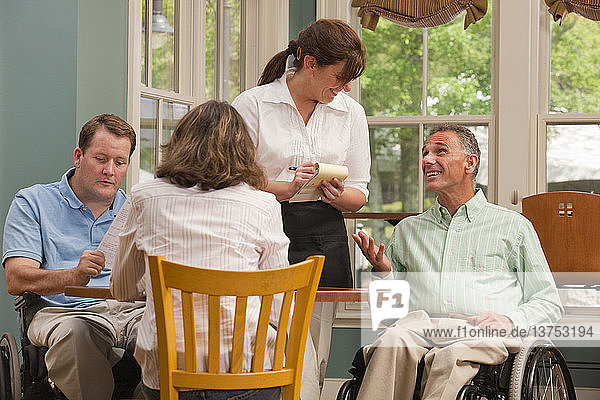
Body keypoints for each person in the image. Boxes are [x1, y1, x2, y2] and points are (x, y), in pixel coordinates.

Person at [352, 124, 563, 400]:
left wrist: (510, 320)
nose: (428, 160)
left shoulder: (513, 227)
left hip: (479, 334)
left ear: (469, 163)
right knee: (391, 341)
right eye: (425, 153)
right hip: (419, 327)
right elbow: (387, 317)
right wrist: (383, 274)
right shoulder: (408, 230)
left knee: (450, 356)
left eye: (440, 151)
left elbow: (548, 302)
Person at [109, 100, 290, 400]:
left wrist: (160, 286)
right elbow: (280, 304)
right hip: (249, 376)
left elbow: (123, 289)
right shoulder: (263, 205)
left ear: (180, 143)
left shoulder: (145, 197)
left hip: (169, 378)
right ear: (244, 150)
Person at [232, 18, 371, 396]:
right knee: (264, 338)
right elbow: (229, 178)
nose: (342, 89)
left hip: (325, 231)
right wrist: (285, 186)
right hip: (262, 227)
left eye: (347, 82)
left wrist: (336, 195)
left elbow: (360, 192)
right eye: (338, 78)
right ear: (310, 64)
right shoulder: (253, 104)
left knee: (318, 348)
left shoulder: (350, 112)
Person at [2, 114, 144, 400]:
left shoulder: (136, 209)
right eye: (100, 159)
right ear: (79, 156)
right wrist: (73, 276)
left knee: (175, 333)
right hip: (65, 312)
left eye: (120, 162)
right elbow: (15, 278)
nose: (110, 171)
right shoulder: (34, 202)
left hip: (129, 311)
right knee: (77, 334)